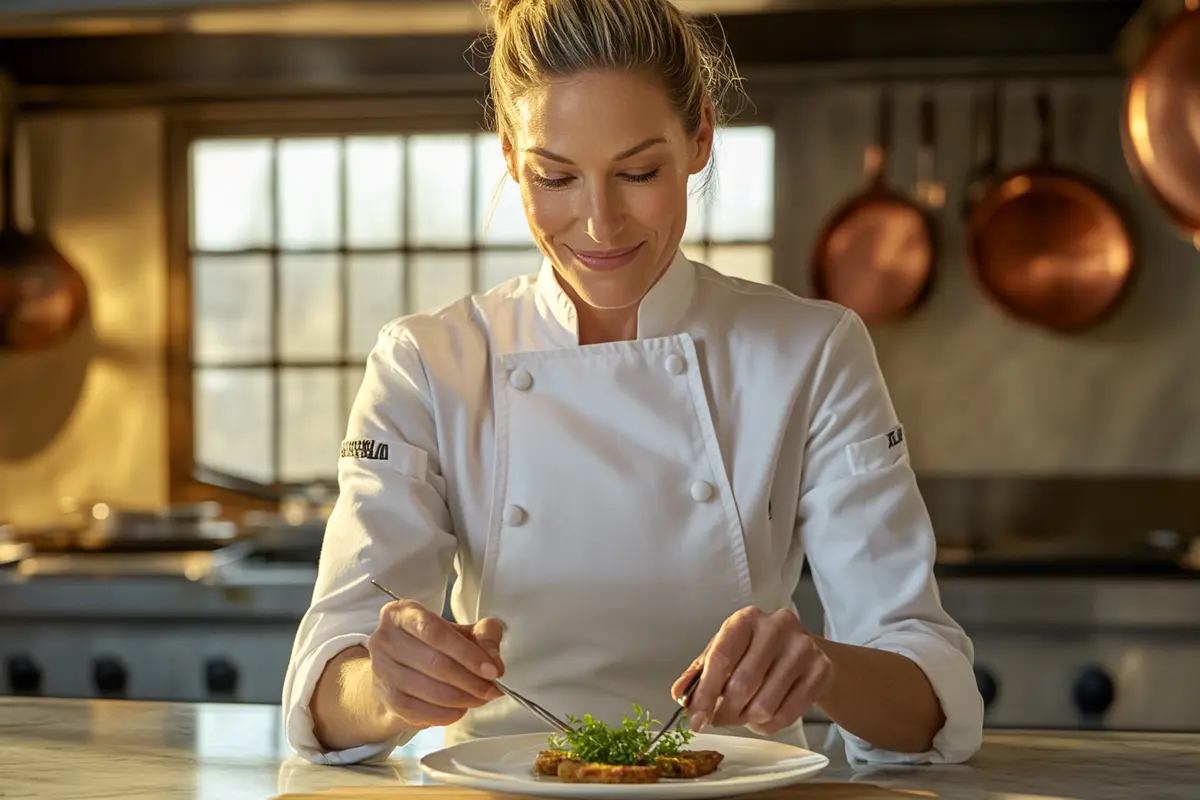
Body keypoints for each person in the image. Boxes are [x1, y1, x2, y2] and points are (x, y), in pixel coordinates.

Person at [281, 0, 984, 768]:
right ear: (511, 156)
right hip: (503, 785)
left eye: (639, 173)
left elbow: (927, 694)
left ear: (701, 140)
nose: (600, 225)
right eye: (555, 177)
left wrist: (821, 665)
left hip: (744, 788)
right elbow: (324, 685)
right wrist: (387, 687)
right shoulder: (427, 360)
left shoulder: (812, 350)